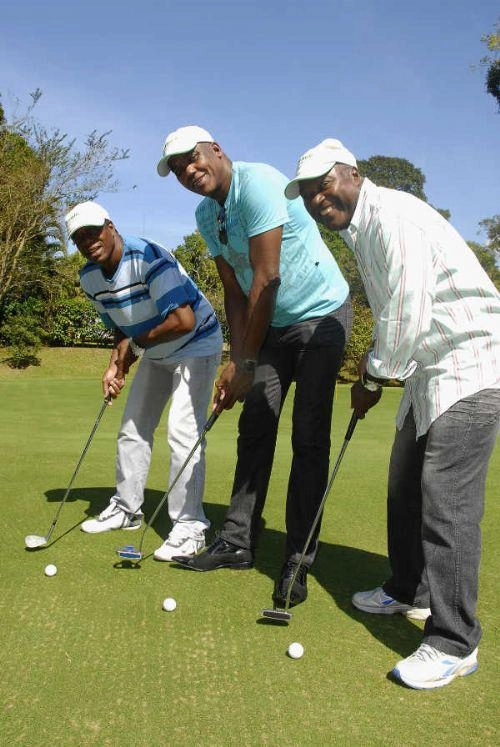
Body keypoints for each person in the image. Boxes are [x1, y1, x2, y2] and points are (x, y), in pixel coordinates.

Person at [285, 137, 500, 689]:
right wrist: (376, 367)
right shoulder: (361, 230)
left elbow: (407, 312)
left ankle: (455, 642)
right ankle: (408, 589)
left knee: (445, 501)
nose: (316, 200)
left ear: (352, 173)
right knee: (403, 485)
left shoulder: (393, 216)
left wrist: (373, 376)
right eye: (307, 195)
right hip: (429, 371)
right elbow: (391, 317)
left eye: (323, 186)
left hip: (472, 363)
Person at [156, 126, 352, 606]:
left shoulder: (258, 183)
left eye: (192, 158)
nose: (188, 171)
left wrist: (245, 360)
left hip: (320, 316)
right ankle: (238, 541)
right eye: (178, 169)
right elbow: (235, 290)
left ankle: (297, 560)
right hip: (272, 326)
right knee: (256, 425)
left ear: (216, 150)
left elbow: (267, 276)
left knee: (308, 438)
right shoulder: (206, 213)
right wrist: (237, 359)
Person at [64, 201, 222, 560]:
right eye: (79, 238)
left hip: (196, 343)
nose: (88, 241)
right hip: (155, 350)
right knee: (132, 428)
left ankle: (190, 525)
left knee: (182, 432)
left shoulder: (148, 256)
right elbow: (122, 328)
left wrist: (135, 346)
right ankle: (126, 509)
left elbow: (182, 319)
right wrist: (115, 366)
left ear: (111, 226)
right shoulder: (90, 278)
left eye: (93, 231)